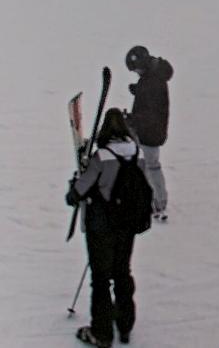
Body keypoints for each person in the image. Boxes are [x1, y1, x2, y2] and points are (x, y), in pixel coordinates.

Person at [67, 108, 154, 346]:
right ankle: (125, 324)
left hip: (102, 226)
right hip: (128, 224)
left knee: (101, 278)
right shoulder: (137, 153)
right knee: (122, 272)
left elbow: (80, 190)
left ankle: (102, 332)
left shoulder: (102, 156)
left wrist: (73, 189)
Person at [123, 45, 173, 219]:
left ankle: (158, 203)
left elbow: (150, 112)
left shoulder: (152, 82)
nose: (136, 73)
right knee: (144, 164)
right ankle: (148, 198)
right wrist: (138, 90)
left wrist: (131, 119)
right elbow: (150, 99)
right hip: (151, 129)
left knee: (151, 165)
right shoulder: (152, 76)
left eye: (136, 69)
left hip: (150, 131)